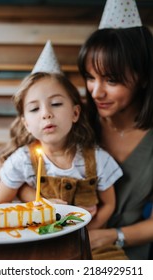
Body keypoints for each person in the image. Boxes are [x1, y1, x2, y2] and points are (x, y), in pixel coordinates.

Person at [0, 72, 123, 232]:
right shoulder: (21, 161)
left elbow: (109, 204)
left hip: (90, 240)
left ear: (75, 113)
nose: (46, 113)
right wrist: (35, 207)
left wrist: (87, 235)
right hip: (37, 239)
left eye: (55, 104)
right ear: (26, 124)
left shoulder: (98, 159)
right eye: (34, 108)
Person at [77, 23, 153, 259]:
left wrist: (112, 235)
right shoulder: (77, 123)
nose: (96, 92)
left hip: (130, 253)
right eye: (90, 77)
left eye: (111, 80)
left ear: (142, 78)